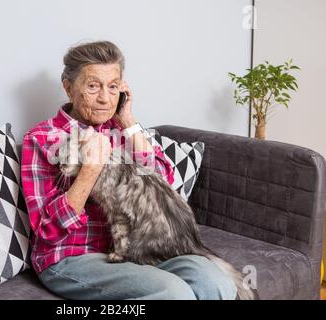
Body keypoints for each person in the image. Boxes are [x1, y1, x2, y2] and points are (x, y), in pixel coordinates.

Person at [20, 40, 237, 300]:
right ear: (68, 88)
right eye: (92, 86)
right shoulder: (42, 138)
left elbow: (165, 184)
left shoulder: (122, 130)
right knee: (174, 293)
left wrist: (128, 122)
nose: (104, 98)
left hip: (136, 251)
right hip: (71, 256)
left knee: (216, 282)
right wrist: (90, 170)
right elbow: (47, 231)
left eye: (113, 87)